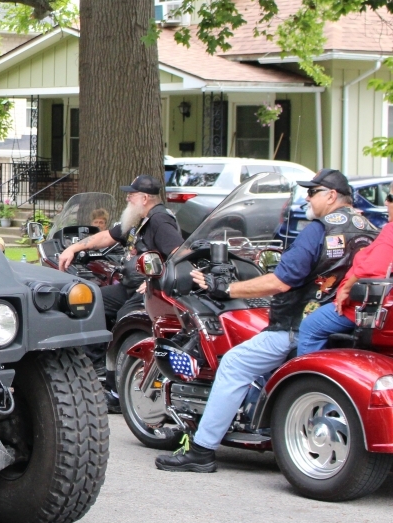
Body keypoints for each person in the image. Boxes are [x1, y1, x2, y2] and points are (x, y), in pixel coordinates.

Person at [156, 169, 377, 473]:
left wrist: (226, 288)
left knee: (234, 364)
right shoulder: (369, 228)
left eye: (312, 192)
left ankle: (201, 450)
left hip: (296, 324)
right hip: (347, 324)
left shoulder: (319, 230)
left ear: (331, 195)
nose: (307, 198)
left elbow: (280, 282)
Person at [58, 174, 183, 408]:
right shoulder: (139, 220)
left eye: (131, 195)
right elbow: (107, 236)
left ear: (144, 198)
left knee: (126, 320)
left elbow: (179, 254)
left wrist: (157, 278)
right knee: (91, 301)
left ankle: (117, 391)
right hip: (128, 286)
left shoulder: (160, 221)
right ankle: (94, 368)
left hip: (150, 291)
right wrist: (73, 248)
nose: (127, 198)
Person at [297, 215, 393, 354]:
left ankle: (308, 368)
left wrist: (347, 289)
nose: (387, 204)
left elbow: (373, 268)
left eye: (390, 202)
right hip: (382, 309)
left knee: (310, 325)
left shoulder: (391, 229)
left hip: (372, 309)